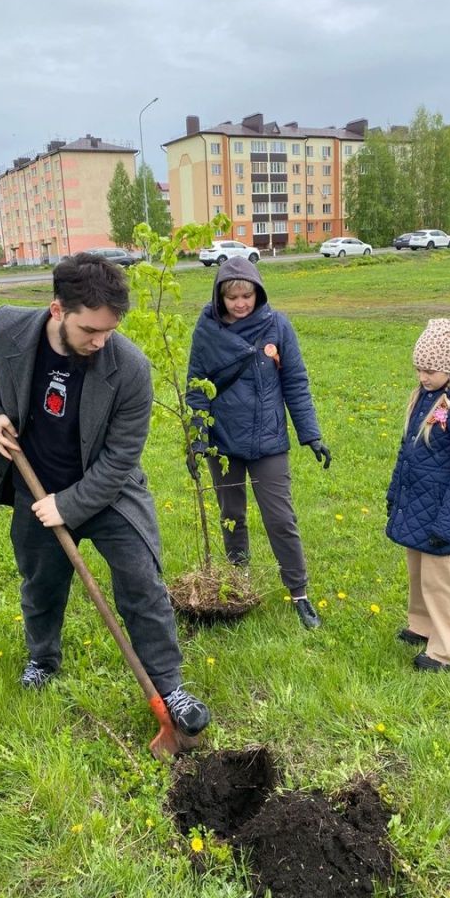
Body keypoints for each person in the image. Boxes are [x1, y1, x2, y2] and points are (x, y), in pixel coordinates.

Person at [0, 253, 210, 736]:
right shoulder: (5, 330)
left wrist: (67, 506)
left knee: (142, 583)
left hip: (107, 493)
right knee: (40, 584)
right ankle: (43, 659)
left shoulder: (129, 367)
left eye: (109, 330)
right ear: (57, 310)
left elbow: (120, 458)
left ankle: (168, 685)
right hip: (34, 485)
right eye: (91, 331)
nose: (100, 340)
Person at [185, 256, 331, 629]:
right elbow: (197, 390)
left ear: (258, 292)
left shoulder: (277, 326)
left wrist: (310, 435)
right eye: (232, 296)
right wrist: (197, 440)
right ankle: (238, 581)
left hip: (269, 442)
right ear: (220, 297)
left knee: (280, 518)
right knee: (232, 516)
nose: (240, 303)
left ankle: (298, 592)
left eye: (246, 295)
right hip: (224, 443)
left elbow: (296, 383)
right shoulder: (206, 332)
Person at [386, 318, 450, 671]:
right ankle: (423, 624)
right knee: (420, 570)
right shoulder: (430, 397)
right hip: (418, 503)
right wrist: (395, 492)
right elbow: (409, 450)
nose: (422, 376)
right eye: (418, 368)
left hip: (445, 508)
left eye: (430, 370)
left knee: (443, 578)